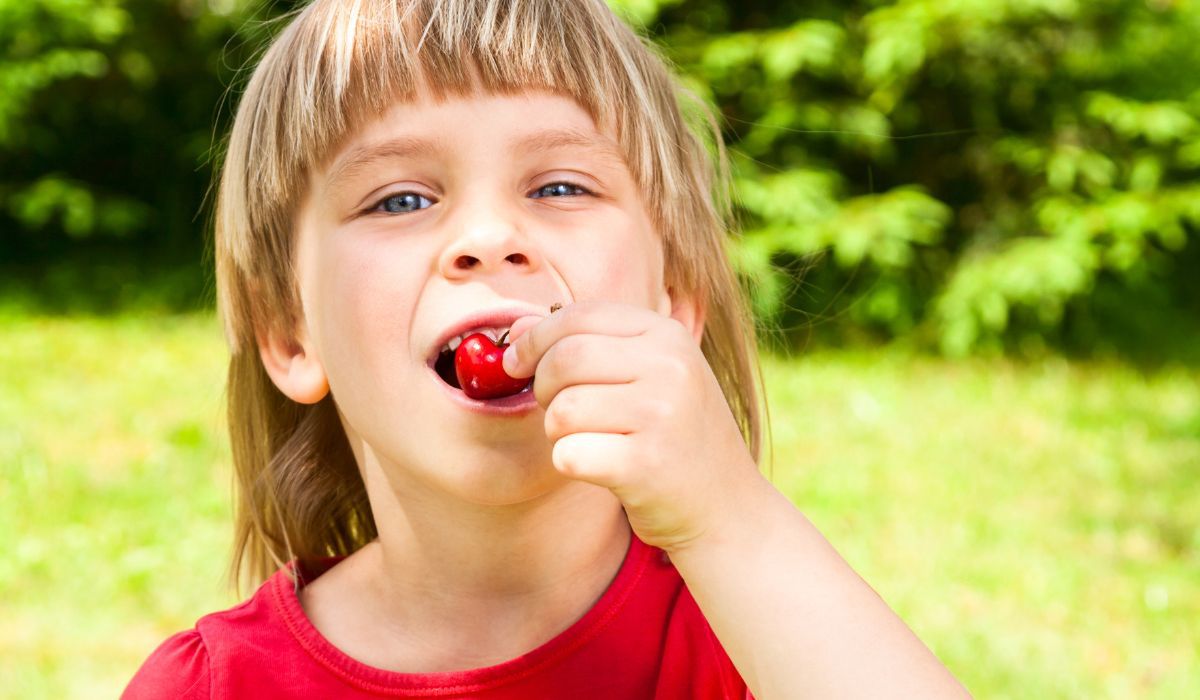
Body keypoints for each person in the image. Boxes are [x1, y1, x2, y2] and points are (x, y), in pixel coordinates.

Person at [123, 0, 970, 697]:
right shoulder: (213, 686)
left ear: (673, 302)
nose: (490, 238)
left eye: (560, 186)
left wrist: (733, 520)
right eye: (400, 199)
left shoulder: (761, 636)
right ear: (289, 332)